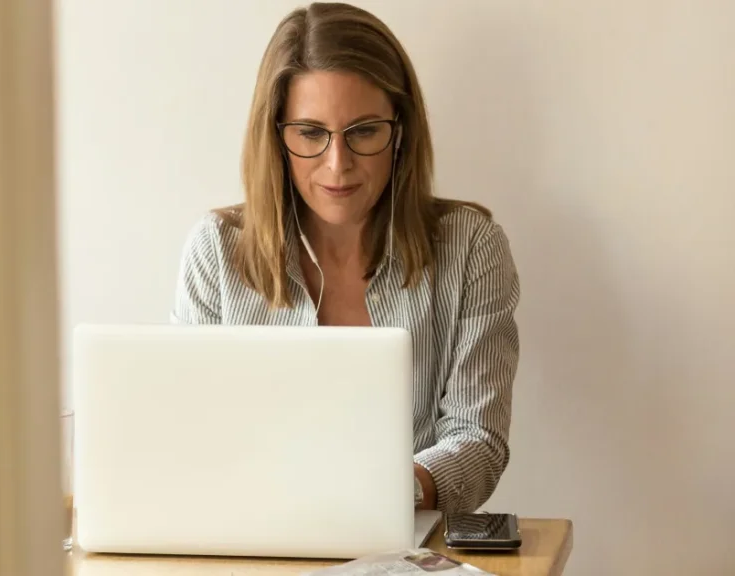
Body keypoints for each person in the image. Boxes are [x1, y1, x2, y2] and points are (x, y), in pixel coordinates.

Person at [170, 1, 520, 514]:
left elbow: (479, 441)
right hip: (249, 542)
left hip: (405, 547)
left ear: (400, 131)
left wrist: (384, 493)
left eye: (363, 132)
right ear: (276, 137)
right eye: (311, 133)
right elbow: (189, 436)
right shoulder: (216, 251)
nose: (338, 165)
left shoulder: (470, 247)